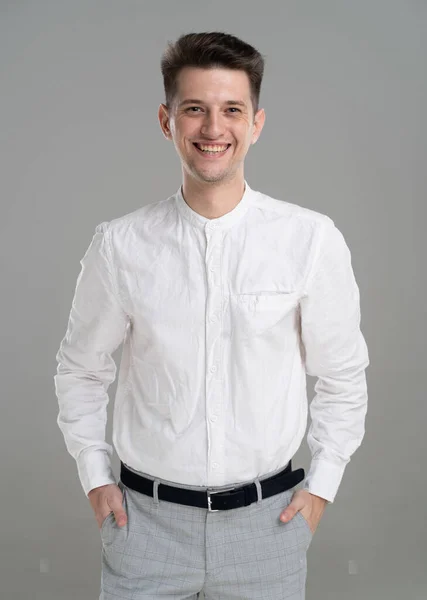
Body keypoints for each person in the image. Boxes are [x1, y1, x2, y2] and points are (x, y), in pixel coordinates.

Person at [54, 31, 369, 600]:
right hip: (142, 527)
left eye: (232, 110)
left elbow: (343, 375)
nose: (212, 128)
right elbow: (80, 370)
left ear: (257, 123)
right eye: (194, 109)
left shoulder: (309, 240)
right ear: (166, 120)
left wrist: (320, 490)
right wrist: (96, 478)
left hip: (268, 527)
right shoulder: (120, 246)